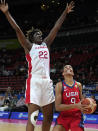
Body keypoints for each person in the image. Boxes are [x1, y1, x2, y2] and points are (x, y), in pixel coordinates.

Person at [0, 1, 74, 131]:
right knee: (33, 117)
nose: (40, 35)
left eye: (40, 34)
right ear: (32, 38)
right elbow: (17, 29)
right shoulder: (29, 46)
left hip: (47, 82)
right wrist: (7, 13)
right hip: (34, 81)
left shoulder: (46, 44)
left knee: (49, 117)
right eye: (36, 34)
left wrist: (65, 12)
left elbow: (56, 27)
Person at [53, 65, 90, 131]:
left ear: (73, 73)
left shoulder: (78, 85)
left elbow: (82, 101)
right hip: (64, 116)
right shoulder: (59, 85)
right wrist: (75, 105)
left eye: (70, 67)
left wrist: (87, 106)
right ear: (63, 73)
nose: (68, 68)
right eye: (66, 67)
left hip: (77, 116)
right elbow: (57, 107)